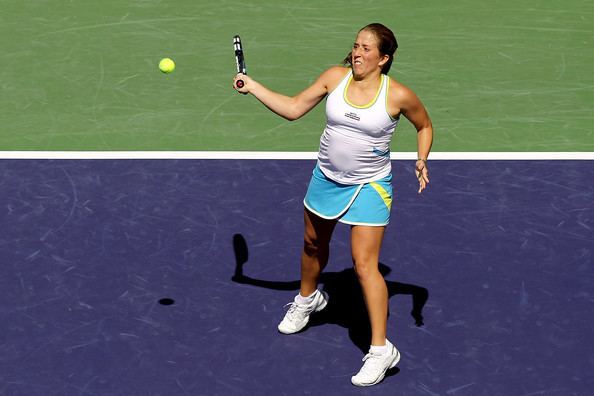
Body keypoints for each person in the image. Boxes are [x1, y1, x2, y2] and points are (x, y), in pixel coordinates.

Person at [233, 23, 433, 387]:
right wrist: (254, 86)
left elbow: (424, 126)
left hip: (370, 186)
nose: (357, 53)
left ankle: (380, 350)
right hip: (326, 178)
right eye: (356, 46)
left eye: (367, 49)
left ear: (384, 58)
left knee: (364, 265)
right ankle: (309, 300)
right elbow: (294, 109)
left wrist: (421, 158)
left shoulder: (398, 95)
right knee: (312, 244)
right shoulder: (334, 78)